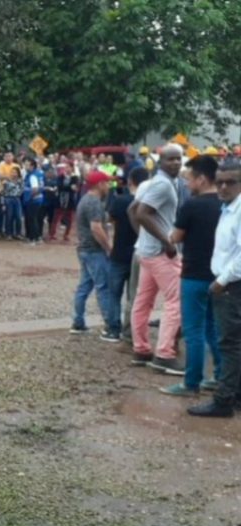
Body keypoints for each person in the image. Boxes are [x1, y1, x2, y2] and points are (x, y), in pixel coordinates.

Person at [160, 155, 224, 396]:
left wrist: (168, 234)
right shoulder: (227, 204)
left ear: (201, 178)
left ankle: (191, 382)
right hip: (219, 275)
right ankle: (219, 375)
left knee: (193, 330)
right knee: (213, 327)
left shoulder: (192, 205)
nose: (187, 184)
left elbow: (175, 237)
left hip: (194, 273)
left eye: (189, 179)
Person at [188, 158, 241, 417]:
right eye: (219, 182)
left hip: (232, 285)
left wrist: (221, 281)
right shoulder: (228, 207)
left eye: (230, 182)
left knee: (229, 343)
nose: (223, 187)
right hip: (228, 283)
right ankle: (234, 395)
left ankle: (224, 400)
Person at [129, 144, 185, 375]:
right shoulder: (162, 184)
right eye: (170, 159)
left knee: (143, 301)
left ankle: (141, 349)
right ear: (160, 161)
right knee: (176, 300)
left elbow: (133, 211)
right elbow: (140, 213)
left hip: (147, 252)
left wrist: (143, 239)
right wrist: (166, 241)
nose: (175, 163)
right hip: (160, 253)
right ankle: (164, 354)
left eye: (178, 159)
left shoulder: (155, 183)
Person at [70, 171, 118, 339]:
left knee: (84, 286)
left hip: (84, 248)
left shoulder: (85, 199)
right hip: (94, 250)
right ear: (99, 184)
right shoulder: (94, 202)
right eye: (107, 182)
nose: (109, 186)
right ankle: (110, 325)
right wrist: (109, 247)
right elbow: (96, 228)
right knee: (103, 287)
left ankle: (77, 321)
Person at [109, 167, 148, 345]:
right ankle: (130, 330)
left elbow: (112, 221)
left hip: (119, 251)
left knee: (114, 294)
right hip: (139, 252)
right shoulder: (148, 202)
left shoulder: (119, 201)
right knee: (135, 296)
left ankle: (113, 329)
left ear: (130, 181)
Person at [50, 166, 79, 242]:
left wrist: (66, 187)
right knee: (56, 218)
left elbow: (75, 188)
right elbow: (60, 186)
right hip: (60, 199)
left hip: (70, 200)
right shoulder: (61, 176)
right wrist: (69, 187)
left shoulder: (75, 177)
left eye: (69, 167)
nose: (67, 169)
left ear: (72, 168)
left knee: (70, 219)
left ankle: (66, 235)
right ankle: (53, 234)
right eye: (66, 167)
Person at [23, 159, 46, 245]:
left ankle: (34, 238)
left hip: (33, 200)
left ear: (32, 166)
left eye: (27, 165)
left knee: (32, 219)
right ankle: (37, 237)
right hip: (39, 199)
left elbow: (35, 189)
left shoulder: (32, 176)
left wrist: (30, 197)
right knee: (35, 219)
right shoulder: (39, 173)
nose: (25, 166)